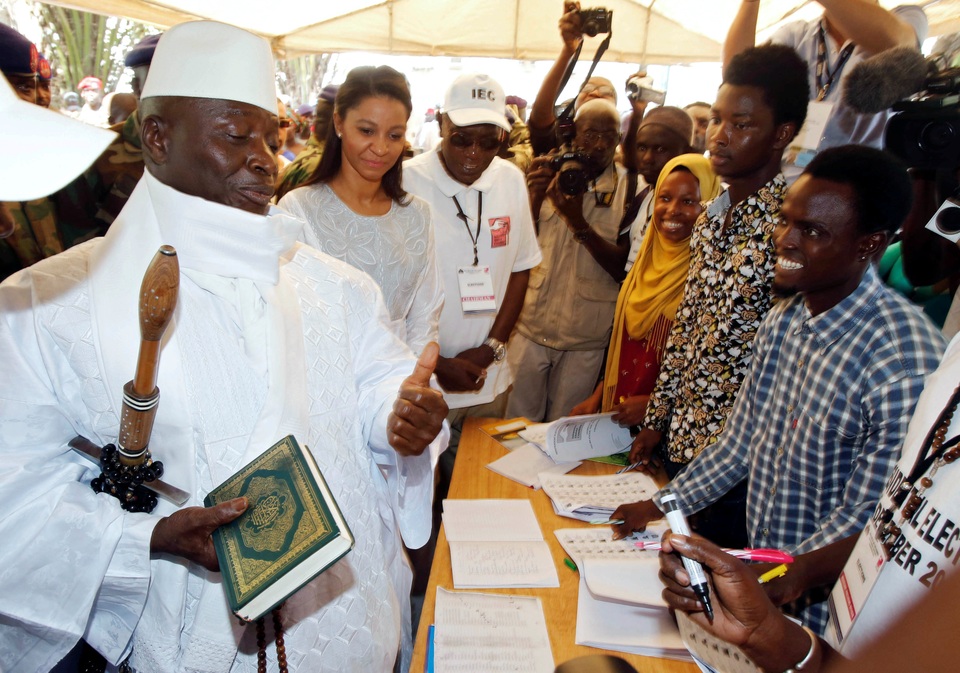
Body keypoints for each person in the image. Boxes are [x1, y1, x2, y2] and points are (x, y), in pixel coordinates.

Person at [0, 20, 448, 673]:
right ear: (158, 137)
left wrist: (400, 419)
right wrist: (150, 535)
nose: (265, 158)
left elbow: (379, 384)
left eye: (272, 136)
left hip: (350, 626)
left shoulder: (336, 286)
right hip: (186, 644)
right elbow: (16, 491)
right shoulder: (48, 304)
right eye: (237, 136)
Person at [613, 144, 946, 635]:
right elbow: (739, 444)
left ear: (868, 245)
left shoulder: (902, 364)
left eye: (811, 231)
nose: (785, 241)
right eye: (786, 221)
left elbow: (872, 517)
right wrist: (660, 506)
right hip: (766, 590)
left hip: (830, 617)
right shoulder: (784, 320)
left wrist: (782, 574)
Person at [658, 327, 960, 671]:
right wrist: (789, 585)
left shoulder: (908, 357)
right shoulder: (954, 355)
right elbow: (895, 521)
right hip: (835, 648)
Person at [624, 45, 809, 518]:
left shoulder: (789, 229)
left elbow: (782, 375)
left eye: (741, 125)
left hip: (738, 468)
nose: (719, 137)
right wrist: (657, 419)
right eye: (718, 120)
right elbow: (687, 330)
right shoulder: (712, 219)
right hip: (681, 444)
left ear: (781, 134)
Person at [403, 71, 541, 467]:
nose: (473, 154)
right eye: (461, 138)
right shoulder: (405, 183)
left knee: (477, 493)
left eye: (488, 142)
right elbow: (387, 293)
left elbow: (520, 268)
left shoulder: (511, 180)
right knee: (421, 509)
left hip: (489, 380)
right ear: (442, 123)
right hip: (422, 383)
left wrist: (491, 349)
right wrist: (438, 364)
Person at [279, 65, 442, 355]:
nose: (380, 148)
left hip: (401, 383)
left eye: (394, 135)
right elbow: (290, 319)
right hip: (324, 380)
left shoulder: (418, 215)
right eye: (367, 130)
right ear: (339, 123)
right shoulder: (298, 209)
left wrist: (409, 385)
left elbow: (424, 318)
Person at [571, 154, 721, 427]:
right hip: (618, 416)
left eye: (689, 202)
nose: (672, 210)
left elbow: (714, 372)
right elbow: (625, 345)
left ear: (711, 204)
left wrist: (657, 405)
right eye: (664, 198)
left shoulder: (711, 277)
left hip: (669, 428)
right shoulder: (644, 262)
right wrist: (598, 396)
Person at [506, 98, 631, 422]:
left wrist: (579, 222)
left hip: (586, 339)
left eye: (610, 135)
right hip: (532, 327)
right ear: (573, 134)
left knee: (566, 432)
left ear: (620, 139)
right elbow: (516, 244)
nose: (600, 144)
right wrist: (534, 195)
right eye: (590, 134)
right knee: (516, 428)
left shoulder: (630, 189)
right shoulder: (548, 172)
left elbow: (623, 269)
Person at [724, 0, 927, 181]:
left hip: (863, 189)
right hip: (793, 186)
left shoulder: (906, 18)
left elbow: (897, 44)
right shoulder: (797, 35)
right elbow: (738, 80)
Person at [527, 1, 621, 157]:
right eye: (587, 89)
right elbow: (540, 116)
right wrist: (568, 51)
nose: (595, 94)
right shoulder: (560, 143)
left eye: (606, 92)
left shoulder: (621, 162)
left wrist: (638, 111)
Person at [621, 106, 694, 275]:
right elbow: (620, 267)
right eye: (641, 148)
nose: (647, 158)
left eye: (660, 149)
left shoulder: (696, 205)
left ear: (687, 152)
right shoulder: (644, 196)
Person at [275, 84, 339, 199]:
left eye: (283, 124)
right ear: (339, 123)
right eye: (365, 130)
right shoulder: (321, 168)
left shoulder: (313, 158)